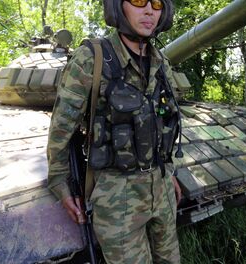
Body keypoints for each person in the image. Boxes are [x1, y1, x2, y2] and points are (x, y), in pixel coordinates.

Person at [46, 0, 182, 262]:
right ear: (117, 7)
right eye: (139, 1)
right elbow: (61, 128)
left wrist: (171, 169)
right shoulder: (92, 58)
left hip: (162, 187)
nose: (149, 11)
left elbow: (168, 122)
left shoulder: (160, 61)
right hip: (117, 195)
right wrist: (60, 185)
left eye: (156, 4)